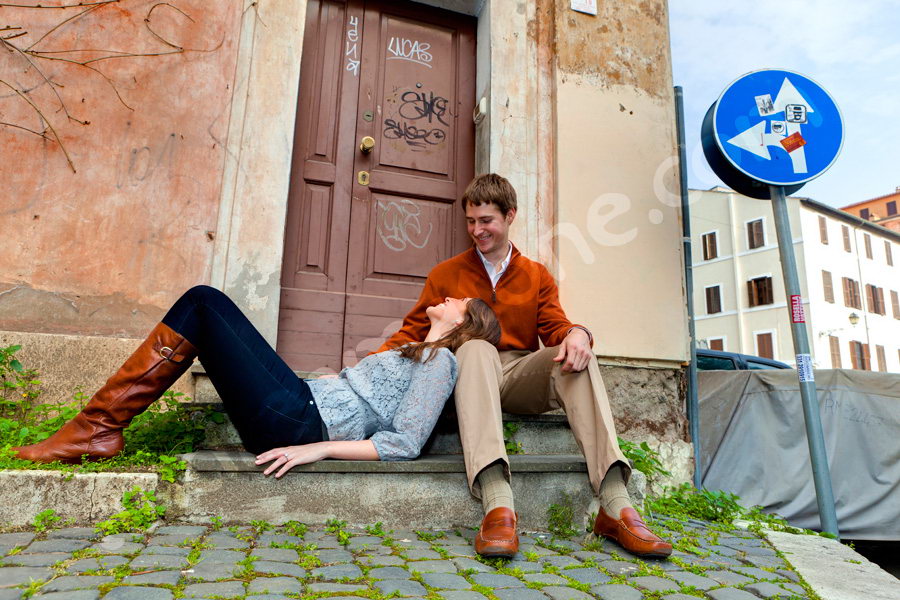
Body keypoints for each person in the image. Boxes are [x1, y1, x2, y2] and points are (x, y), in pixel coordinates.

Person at [377, 173, 672, 559]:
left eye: (486, 221)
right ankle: (498, 502)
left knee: (577, 357)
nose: (477, 231)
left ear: (510, 215)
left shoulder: (535, 275)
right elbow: (411, 333)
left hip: (516, 376)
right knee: (476, 348)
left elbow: (555, 328)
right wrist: (364, 371)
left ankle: (617, 503)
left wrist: (579, 333)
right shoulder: (445, 274)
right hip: (462, 378)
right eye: (470, 221)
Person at [13, 286, 501, 476]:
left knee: (205, 304)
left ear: (466, 322)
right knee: (204, 308)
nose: (452, 295)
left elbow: (407, 442)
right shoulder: (416, 353)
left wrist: (321, 448)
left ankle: (97, 426)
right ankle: (97, 427)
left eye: (462, 300)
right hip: (302, 403)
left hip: (301, 422)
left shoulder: (440, 365)